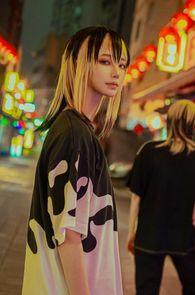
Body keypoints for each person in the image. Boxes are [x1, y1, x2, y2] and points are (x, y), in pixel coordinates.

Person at [22, 26, 130, 295]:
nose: (116, 72)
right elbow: (69, 236)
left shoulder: (76, 130)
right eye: (105, 61)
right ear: (78, 63)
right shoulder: (74, 135)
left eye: (122, 64)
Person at [127, 100, 195, 295]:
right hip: (184, 236)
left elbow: (136, 196)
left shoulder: (149, 151)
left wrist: (132, 233)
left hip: (148, 234)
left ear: (170, 121)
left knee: (146, 290)